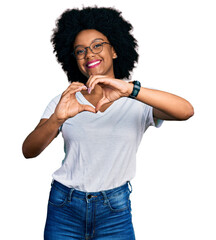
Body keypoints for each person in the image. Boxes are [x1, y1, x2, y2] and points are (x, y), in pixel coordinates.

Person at [22, 6, 194, 240]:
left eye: (97, 45)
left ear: (114, 50)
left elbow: (186, 111)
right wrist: (57, 119)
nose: (89, 54)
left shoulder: (137, 100)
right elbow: (28, 151)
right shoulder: (65, 101)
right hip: (64, 208)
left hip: (114, 211)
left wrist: (130, 89)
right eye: (80, 51)